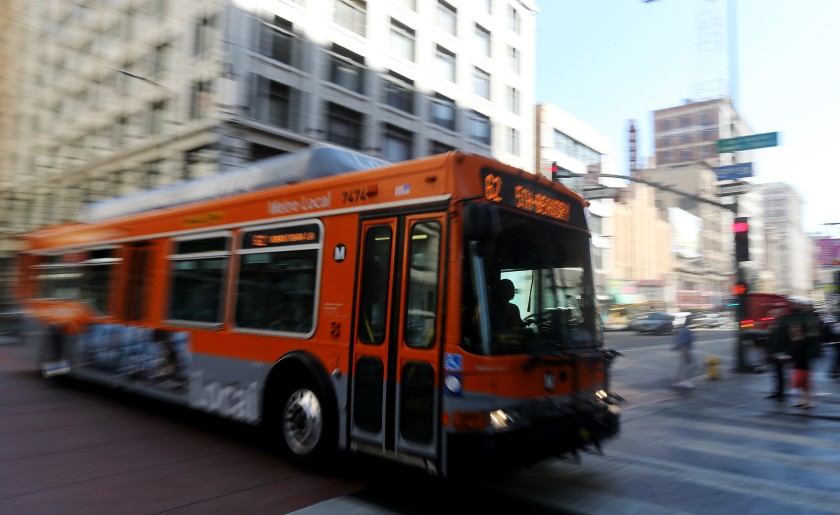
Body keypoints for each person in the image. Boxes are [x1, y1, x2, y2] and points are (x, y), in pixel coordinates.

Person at [775, 298, 821, 408]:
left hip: (804, 358)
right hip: (799, 359)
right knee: (802, 381)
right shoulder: (796, 332)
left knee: (804, 381)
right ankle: (802, 400)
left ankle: (808, 401)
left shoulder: (806, 328)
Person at [765, 303, 791, 401]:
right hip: (774, 353)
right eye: (771, 314)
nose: (772, 316)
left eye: (774, 314)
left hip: (781, 353)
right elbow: (771, 339)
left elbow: (786, 340)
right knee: (775, 373)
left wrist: (786, 353)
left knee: (781, 374)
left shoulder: (783, 324)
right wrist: (769, 352)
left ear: (779, 315)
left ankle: (782, 394)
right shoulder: (773, 324)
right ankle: (776, 392)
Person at [672, 315, 696, 389]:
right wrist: (684, 353)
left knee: (682, 367)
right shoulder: (686, 331)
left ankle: (678, 382)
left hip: (683, 351)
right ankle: (686, 381)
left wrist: (680, 350)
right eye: (692, 320)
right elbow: (683, 343)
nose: (693, 321)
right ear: (689, 321)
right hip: (685, 351)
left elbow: (677, 340)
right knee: (693, 365)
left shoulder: (683, 329)